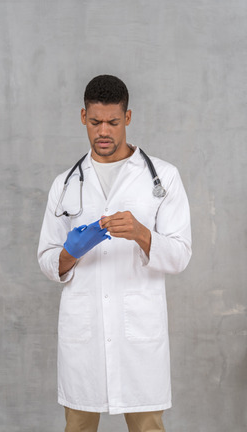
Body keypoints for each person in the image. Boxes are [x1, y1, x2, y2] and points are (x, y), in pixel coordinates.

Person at [38, 75, 192, 432]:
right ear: (83, 117)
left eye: (113, 122)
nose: (103, 131)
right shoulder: (64, 184)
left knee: (148, 427)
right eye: (95, 122)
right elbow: (47, 260)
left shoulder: (163, 178)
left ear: (128, 118)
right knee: (77, 426)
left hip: (137, 334)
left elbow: (181, 254)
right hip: (84, 334)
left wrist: (141, 234)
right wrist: (69, 253)